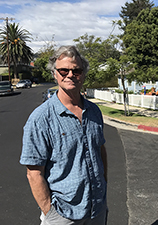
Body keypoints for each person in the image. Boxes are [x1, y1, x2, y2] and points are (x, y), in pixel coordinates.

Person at [20, 46, 108, 225]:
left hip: (96, 210)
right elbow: (34, 172)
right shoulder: (40, 118)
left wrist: (103, 189)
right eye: (63, 70)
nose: (70, 74)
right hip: (63, 215)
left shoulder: (94, 111)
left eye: (76, 70)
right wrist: (51, 214)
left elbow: (100, 150)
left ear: (83, 74)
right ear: (55, 74)